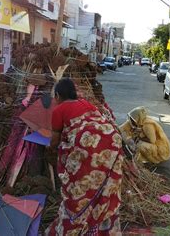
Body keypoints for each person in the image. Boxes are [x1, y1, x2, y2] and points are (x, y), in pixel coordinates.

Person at [46, 78, 123, 235]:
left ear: (58, 96)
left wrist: (50, 149)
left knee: (79, 190)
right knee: (105, 186)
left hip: (89, 145)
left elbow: (55, 140)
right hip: (113, 141)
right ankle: (101, 228)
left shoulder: (59, 110)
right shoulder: (85, 103)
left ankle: (74, 227)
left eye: (55, 97)